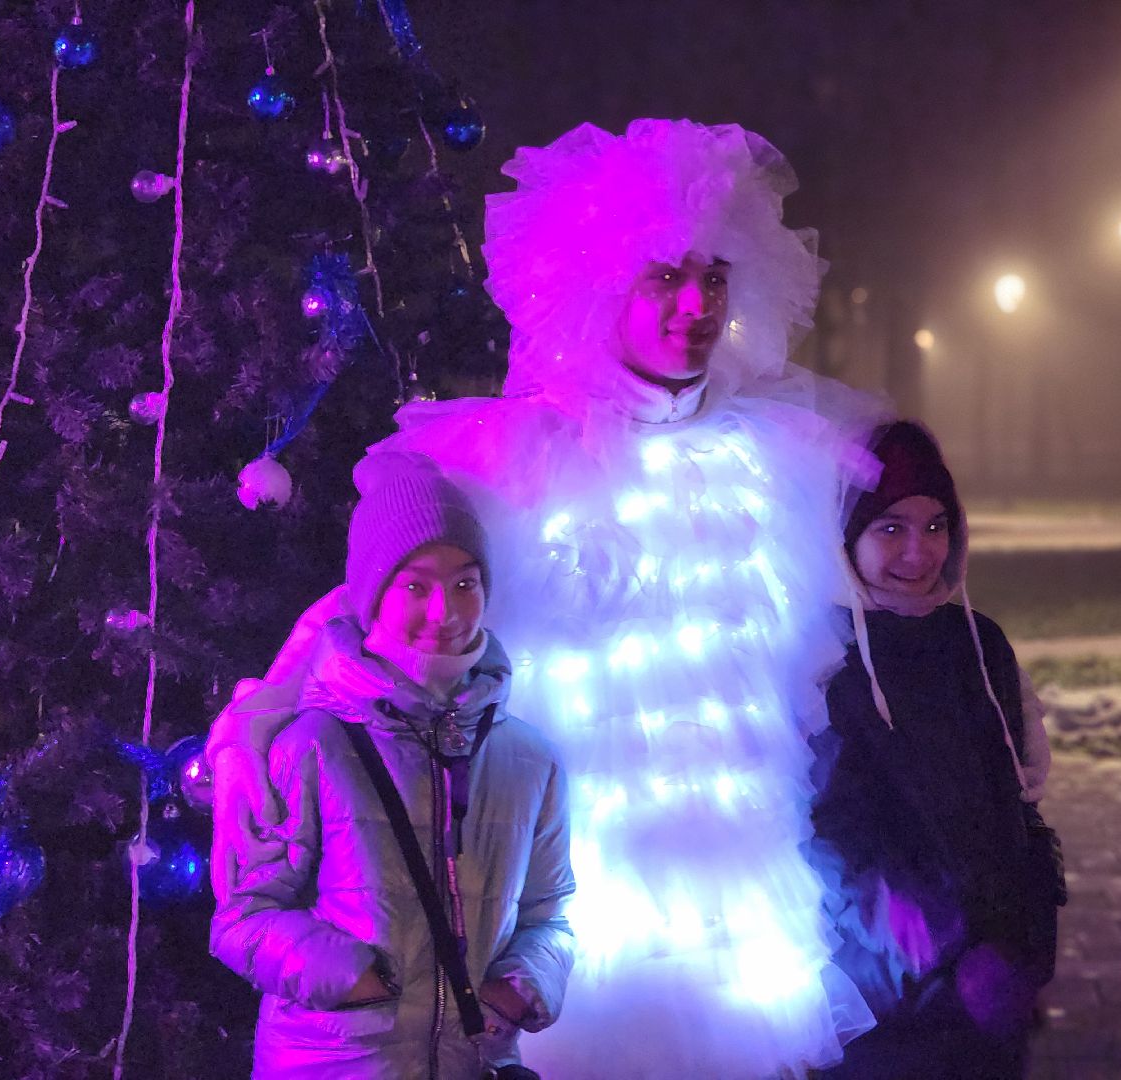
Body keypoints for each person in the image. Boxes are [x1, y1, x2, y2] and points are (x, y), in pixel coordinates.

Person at [210, 119, 882, 1075]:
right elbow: (371, 609)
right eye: (663, 275)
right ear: (603, 282)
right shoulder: (510, 455)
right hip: (551, 922)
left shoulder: (770, 458)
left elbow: (889, 602)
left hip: (729, 917)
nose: (696, 304)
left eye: (715, 276)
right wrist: (254, 736)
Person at [210, 452, 574, 1079]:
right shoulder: (314, 745)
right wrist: (354, 980)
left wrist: (520, 988)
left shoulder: (530, 759)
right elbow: (243, 919)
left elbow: (550, 912)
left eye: (465, 584)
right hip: (335, 1064)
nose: (444, 612)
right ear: (373, 595)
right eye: (415, 586)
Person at [811, 420, 1062, 1079]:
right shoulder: (819, 656)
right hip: (879, 988)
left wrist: (1020, 948)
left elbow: (1014, 804)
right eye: (891, 527)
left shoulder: (979, 642)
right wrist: (928, 938)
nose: (918, 552)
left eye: (935, 525)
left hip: (993, 982)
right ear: (847, 536)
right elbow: (819, 821)